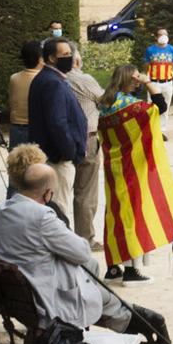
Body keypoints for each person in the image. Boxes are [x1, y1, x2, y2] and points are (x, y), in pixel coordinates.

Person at [0, 161, 171, 344]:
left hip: (16, 294)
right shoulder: (42, 216)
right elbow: (82, 252)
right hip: (44, 297)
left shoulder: (2, 211)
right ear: (47, 193)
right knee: (96, 285)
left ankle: (135, 320)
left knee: (91, 277)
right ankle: (142, 322)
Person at [96, 64, 173, 284]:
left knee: (114, 214)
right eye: (135, 78)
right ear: (128, 79)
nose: (137, 81)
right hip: (131, 166)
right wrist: (149, 83)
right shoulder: (131, 106)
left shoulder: (105, 103)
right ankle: (133, 271)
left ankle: (113, 268)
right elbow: (160, 107)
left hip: (113, 166)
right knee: (133, 214)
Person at [28, 37, 90, 258]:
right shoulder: (52, 82)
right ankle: (62, 258)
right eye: (65, 55)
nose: (71, 58)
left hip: (55, 155)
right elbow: (57, 122)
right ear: (52, 57)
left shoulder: (50, 78)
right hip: (58, 159)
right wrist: (69, 152)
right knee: (59, 210)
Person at [63, 54, 106, 242]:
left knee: (60, 189)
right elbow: (105, 99)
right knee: (86, 190)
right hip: (87, 137)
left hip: (63, 137)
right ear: (77, 61)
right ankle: (84, 237)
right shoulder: (83, 79)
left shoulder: (54, 79)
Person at [6, 40, 45, 149]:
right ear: (40, 59)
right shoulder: (44, 79)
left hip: (16, 128)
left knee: (18, 164)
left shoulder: (14, 78)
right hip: (36, 128)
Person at [145, 29, 173, 115]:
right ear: (156, 37)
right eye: (161, 34)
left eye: (165, 35)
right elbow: (147, 65)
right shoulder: (150, 50)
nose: (163, 37)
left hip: (168, 82)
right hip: (154, 82)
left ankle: (163, 128)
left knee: (165, 108)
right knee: (151, 107)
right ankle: (151, 127)